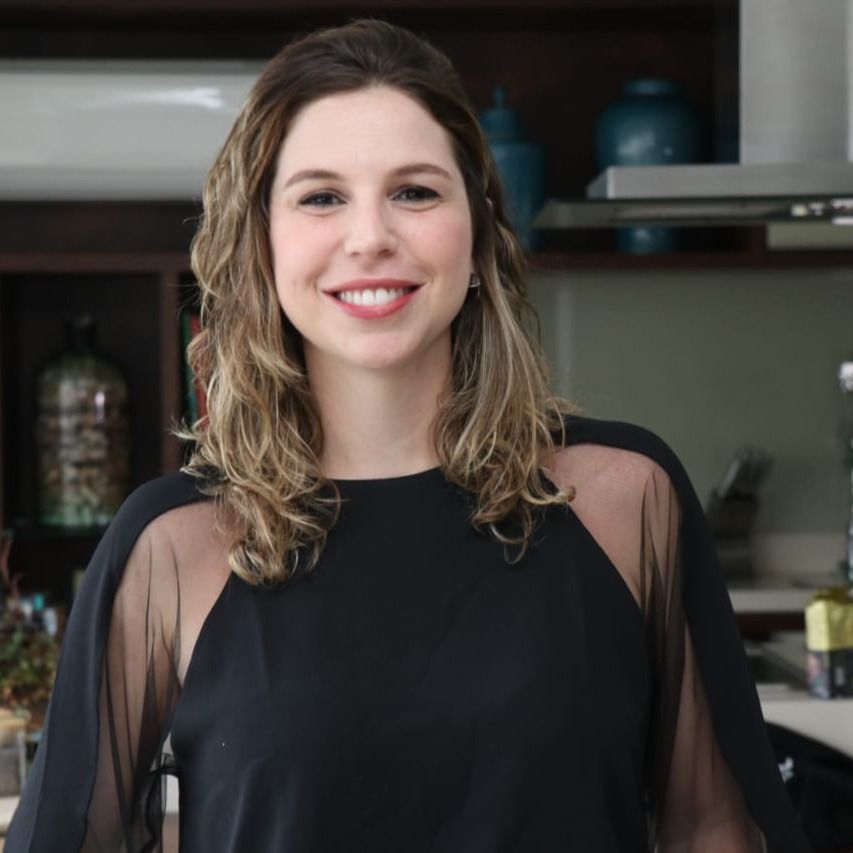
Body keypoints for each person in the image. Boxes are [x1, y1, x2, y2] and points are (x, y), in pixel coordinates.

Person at [7, 18, 810, 853]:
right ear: (261, 239)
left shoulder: (622, 498)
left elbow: (712, 827)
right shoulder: (175, 545)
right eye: (321, 197)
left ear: (480, 229)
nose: (370, 238)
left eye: (415, 192)